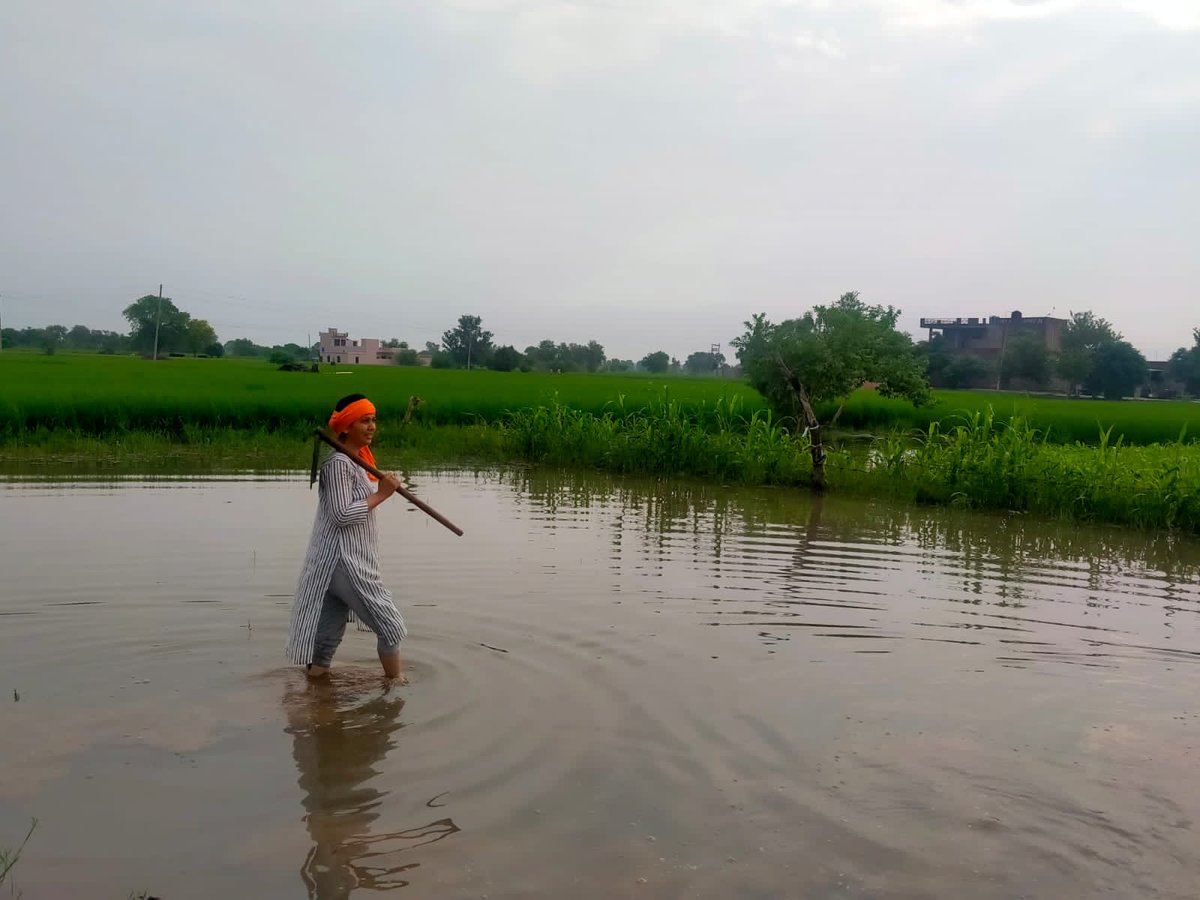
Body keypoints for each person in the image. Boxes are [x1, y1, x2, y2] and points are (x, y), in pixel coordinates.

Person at [287, 393, 408, 679]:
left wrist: (380, 489)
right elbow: (341, 515)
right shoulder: (339, 464)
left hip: (333, 563)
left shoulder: (355, 461)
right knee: (391, 628)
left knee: (324, 644)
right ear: (346, 426)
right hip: (344, 562)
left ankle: (316, 696)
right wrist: (382, 494)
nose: (372, 426)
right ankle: (396, 691)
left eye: (373, 420)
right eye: (364, 421)